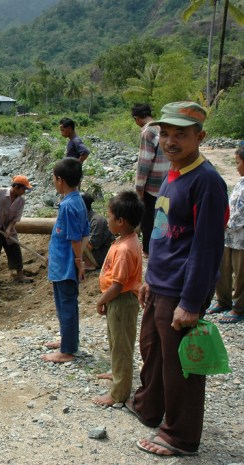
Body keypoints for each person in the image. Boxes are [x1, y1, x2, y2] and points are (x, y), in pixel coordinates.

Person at [129, 102, 228, 457]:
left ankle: (180, 435)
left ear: (200, 137)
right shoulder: (173, 173)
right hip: (160, 281)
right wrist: (149, 277)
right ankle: (149, 407)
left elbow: (206, 248)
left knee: (181, 365)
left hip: (182, 287)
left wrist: (190, 302)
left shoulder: (207, 182)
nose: (170, 141)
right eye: (165, 134)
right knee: (153, 352)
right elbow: (161, 232)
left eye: (180, 134)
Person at [92, 190, 144, 407]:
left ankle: (119, 394)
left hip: (122, 301)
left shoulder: (124, 249)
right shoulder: (126, 239)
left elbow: (119, 284)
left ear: (120, 221)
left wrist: (101, 299)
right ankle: (116, 373)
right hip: (117, 301)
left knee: (122, 346)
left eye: (110, 216)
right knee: (115, 341)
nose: (107, 220)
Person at [42, 157, 90, 363]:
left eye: (54, 178)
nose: (54, 182)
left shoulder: (69, 206)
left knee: (67, 304)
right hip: (63, 262)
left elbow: (75, 238)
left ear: (60, 180)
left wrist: (78, 261)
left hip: (65, 264)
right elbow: (85, 234)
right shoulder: (77, 201)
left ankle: (68, 350)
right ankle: (66, 339)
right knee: (63, 304)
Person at [209, 146, 244, 324]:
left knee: (240, 273)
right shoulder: (240, 182)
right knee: (223, 268)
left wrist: (228, 224)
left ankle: (239, 308)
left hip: (240, 237)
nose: (236, 167)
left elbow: (241, 213)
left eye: (238, 162)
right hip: (228, 234)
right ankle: (223, 300)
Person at [133, 103, 169, 257]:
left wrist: (139, 186)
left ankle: (148, 249)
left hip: (152, 184)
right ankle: (162, 245)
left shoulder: (148, 131)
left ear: (137, 119)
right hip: (166, 181)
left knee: (148, 217)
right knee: (163, 214)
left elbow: (144, 161)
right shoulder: (163, 128)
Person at [0, 175, 32, 283]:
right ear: (15, 187)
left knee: (15, 250)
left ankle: (20, 274)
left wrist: (9, 229)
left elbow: (15, 218)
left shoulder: (21, 201)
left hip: (8, 228)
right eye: (24, 189)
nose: (24, 191)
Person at [81, 192, 114, 271]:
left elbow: (91, 246)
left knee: (75, 237)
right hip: (95, 254)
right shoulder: (86, 218)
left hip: (102, 257)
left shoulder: (97, 221)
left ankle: (89, 264)